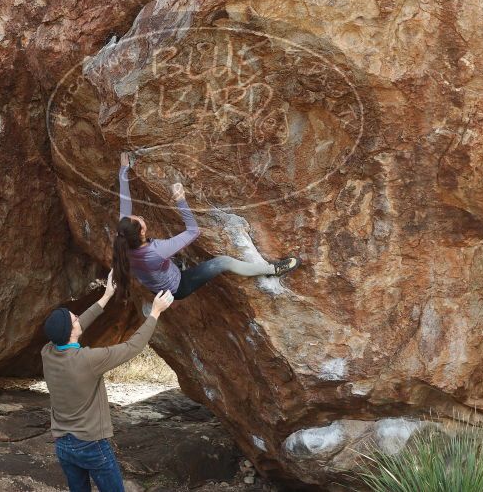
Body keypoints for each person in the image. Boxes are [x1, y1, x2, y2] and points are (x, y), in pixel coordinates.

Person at [41, 270, 174, 492]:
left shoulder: (48, 351)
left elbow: (74, 327)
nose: (78, 318)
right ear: (71, 331)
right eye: (74, 319)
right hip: (91, 444)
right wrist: (155, 313)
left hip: (63, 444)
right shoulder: (88, 360)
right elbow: (133, 347)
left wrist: (107, 295)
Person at [112, 152, 300, 302]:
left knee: (171, 261)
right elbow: (194, 231)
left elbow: (125, 203)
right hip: (178, 287)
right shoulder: (157, 251)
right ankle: (272, 270)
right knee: (224, 262)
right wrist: (181, 200)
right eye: (139, 219)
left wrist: (123, 169)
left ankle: (174, 268)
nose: (139, 216)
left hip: (157, 280)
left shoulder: (123, 238)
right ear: (142, 232)